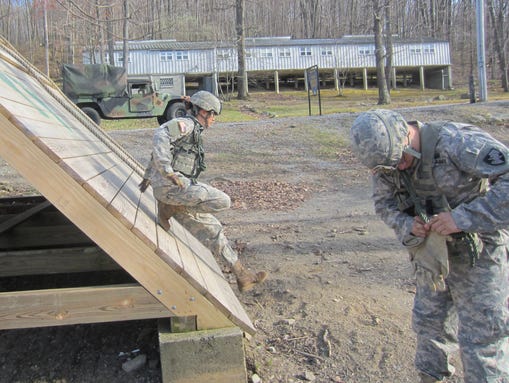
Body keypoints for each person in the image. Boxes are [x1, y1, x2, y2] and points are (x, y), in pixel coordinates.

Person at [349, 109, 509, 383]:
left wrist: (462, 219)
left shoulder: (456, 142)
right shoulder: (387, 158)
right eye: (390, 167)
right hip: (432, 256)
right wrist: (405, 224)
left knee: (482, 336)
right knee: (429, 325)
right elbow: (384, 204)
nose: (399, 169)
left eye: (402, 161)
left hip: (479, 254)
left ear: (408, 136)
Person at [139, 90, 267, 293]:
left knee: (214, 229)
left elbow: (159, 153)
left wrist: (147, 177)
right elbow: (161, 134)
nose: (213, 119)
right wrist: (167, 171)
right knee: (223, 200)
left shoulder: (194, 131)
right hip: (173, 189)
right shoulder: (187, 124)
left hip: (175, 193)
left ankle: (242, 274)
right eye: (211, 113)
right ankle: (168, 207)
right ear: (200, 112)